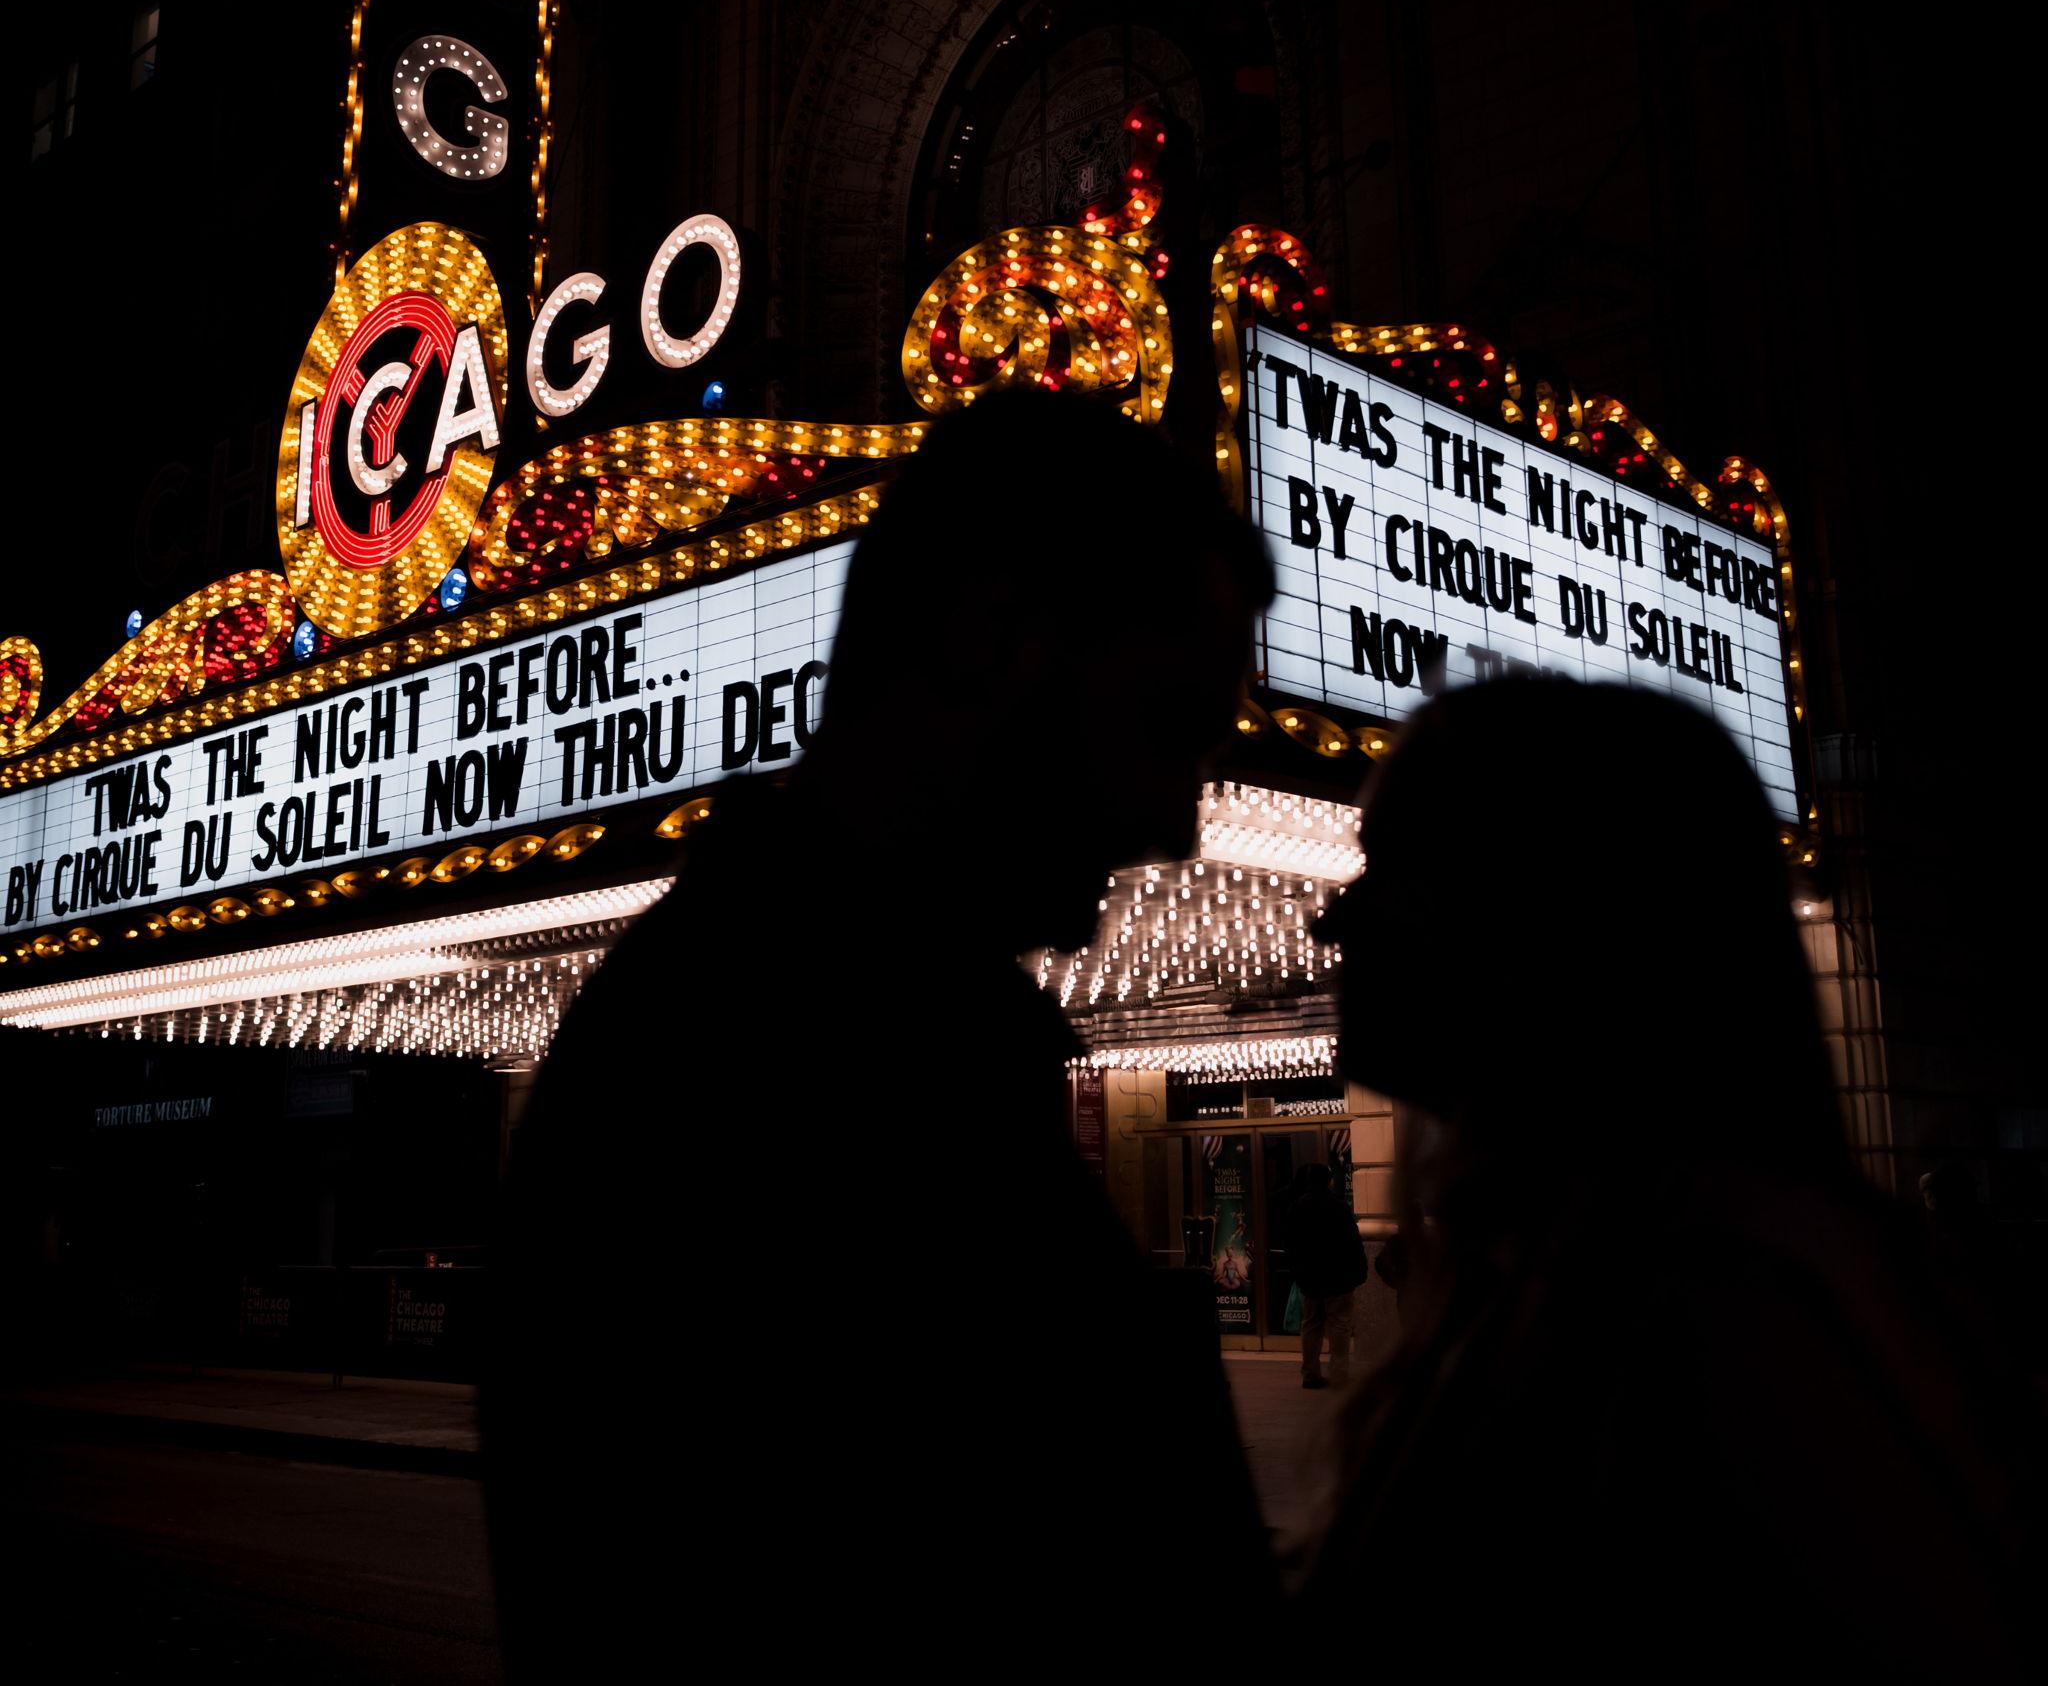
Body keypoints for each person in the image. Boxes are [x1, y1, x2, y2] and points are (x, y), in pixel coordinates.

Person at [486, 389, 1278, 1675]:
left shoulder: (811, 999)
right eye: (1165, 724)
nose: (1177, 826)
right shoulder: (818, 1052)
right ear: (992, 638)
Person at [1295, 679, 2042, 1678]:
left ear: (1546, 909)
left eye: (1392, 867)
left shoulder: (1715, 1305)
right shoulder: (1576, 1264)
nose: (1332, 923)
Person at [1287, 1164, 1368, 1387]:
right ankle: (1339, 1374)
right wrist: (1360, 1270)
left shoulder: (1298, 1207)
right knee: (1339, 1324)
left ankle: (1310, 1373)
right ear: (1329, 1181)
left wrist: (1297, 1270)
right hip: (1338, 1275)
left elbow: (1292, 1243)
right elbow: (1353, 1241)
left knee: (1311, 1324)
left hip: (1310, 1277)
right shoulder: (1339, 1206)